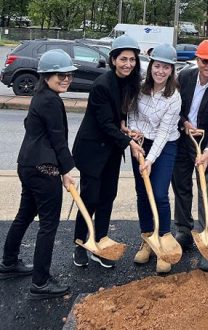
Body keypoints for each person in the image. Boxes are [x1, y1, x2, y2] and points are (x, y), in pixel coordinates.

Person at [0, 49, 77, 299]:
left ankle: (8, 263)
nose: (65, 79)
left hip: (28, 164)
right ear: (46, 75)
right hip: (44, 169)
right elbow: (58, 139)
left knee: (24, 214)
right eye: (59, 74)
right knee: (48, 224)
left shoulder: (40, 96)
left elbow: (32, 127)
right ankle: (41, 283)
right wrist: (66, 170)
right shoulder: (51, 101)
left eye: (68, 74)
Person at [72, 35, 144, 269]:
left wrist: (124, 125)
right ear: (113, 60)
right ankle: (81, 243)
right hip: (92, 150)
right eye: (123, 59)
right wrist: (128, 142)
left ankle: (101, 241)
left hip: (111, 151)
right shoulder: (102, 84)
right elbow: (104, 123)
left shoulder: (130, 82)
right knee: (90, 198)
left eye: (132, 59)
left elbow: (117, 117)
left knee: (107, 197)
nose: (128, 64)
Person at [171, 39, 208, 271]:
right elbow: (172, 107)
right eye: (205, 60)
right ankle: (184, 230)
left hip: (206, 147)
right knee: (181, 187)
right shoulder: (184, 77)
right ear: (198, 60)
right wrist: (184, 122)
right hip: (182, 141)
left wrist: (207, 151)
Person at [124, 44, 181, 274]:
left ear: (171, 70)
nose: (160, 71)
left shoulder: (173, 97)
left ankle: (163, 243)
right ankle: (147, 239)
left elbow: (164, 133)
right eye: (157, 66)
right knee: (142, 194)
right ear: (151, 67)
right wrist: (136, 140)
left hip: (165, 145)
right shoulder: (139, 88)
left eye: (165, 67)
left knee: (158, 194)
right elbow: (132, 115)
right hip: (140, 141)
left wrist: (149, 159)